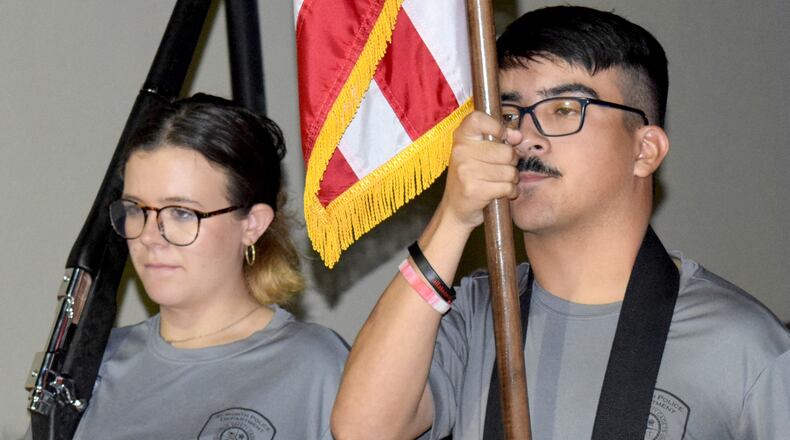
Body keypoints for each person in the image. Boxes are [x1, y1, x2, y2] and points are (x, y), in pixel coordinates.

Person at [331, 6, 790, 440]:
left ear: (644, 149)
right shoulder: (475, 317)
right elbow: (362, 429)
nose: (526, 137)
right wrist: (454, 217)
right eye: (509, 115)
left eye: (565, 109)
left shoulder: (740, 342)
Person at [49, 94, 347, 439]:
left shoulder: (314, 367)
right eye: (136, 209)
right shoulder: (92, 364)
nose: (150, 236)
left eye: (180, 212)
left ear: (252, 224)